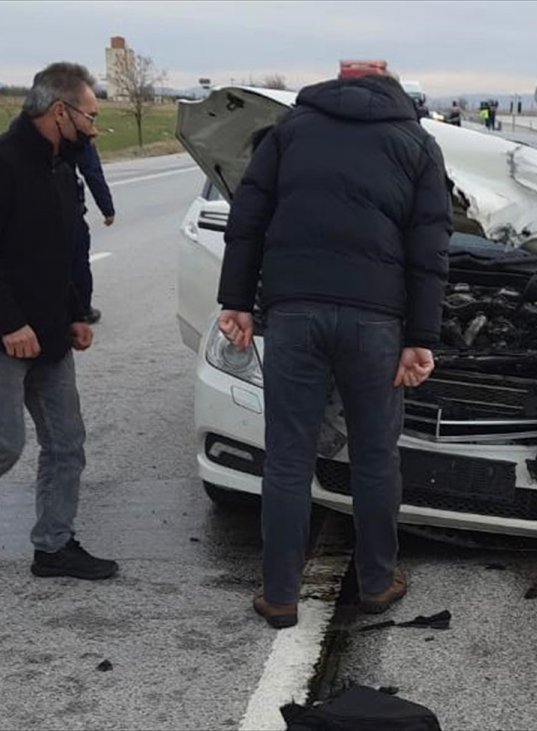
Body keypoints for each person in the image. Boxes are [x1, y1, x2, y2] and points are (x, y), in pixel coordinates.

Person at [218, 68, 452, 629]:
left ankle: (280, 596)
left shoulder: (289, 130)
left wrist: (237, 301)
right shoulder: (417, 143)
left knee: (288, 457)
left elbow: (248, 218)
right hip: (376, 323)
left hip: (294, 314)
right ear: (395, 90)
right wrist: (421, 338)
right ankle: (377, 582)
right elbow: (430, 247)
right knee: (375, 457)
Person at [0, 62, 118, 581]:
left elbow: (61, 253)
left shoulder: (62, 167)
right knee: (0, 445)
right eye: (90, 115)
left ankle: (54, 546)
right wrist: (9, 323)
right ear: (60, 112)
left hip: (52, 334)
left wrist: (75, 313)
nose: (94, 128)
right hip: (1, 338)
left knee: (66, 444)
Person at [72, 143, 115, 325]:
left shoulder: (23, 135)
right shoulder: (76, 136)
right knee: (77, 261)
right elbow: (92, 172)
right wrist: (107, 208)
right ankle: (82, 310)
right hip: (67, 210)